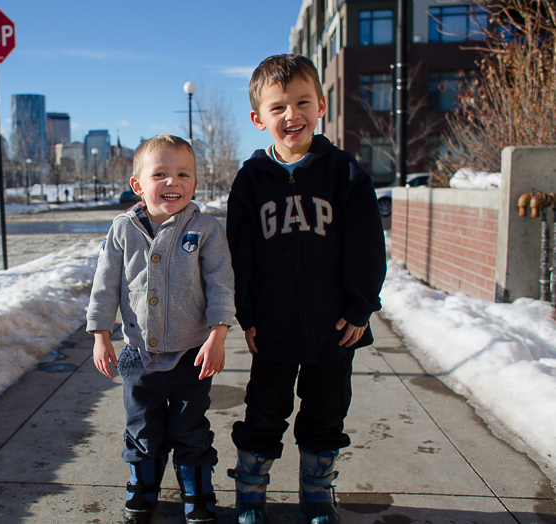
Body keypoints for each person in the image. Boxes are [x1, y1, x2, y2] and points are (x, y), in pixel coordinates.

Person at [225, 54, 386, 524]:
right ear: (258, 119)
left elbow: (366, 246)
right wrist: (246, 314)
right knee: (264, 411)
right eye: (277, 107)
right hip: (272, 327)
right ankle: (250, 492)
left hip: (334, 326)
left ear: (321, 105)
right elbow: (239, 254)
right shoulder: (250, 180)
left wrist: (360, 307)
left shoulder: (344, 172)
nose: (291, 115)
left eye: (301, 102)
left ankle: (316, 492)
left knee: (326, 412)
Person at [86, 134, 235, 524]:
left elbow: (221, 284)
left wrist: (218, 335)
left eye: (183, 174)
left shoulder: (205, 229)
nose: (173, 182)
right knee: (141, 427)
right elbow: (105, 285)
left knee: (191, 428)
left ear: (195, 184)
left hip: (192, 356)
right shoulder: (122, 229)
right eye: (160, 174)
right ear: (138, 184)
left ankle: (197, 492)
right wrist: (101, 335)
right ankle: (143, 488)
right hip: (139, 356)